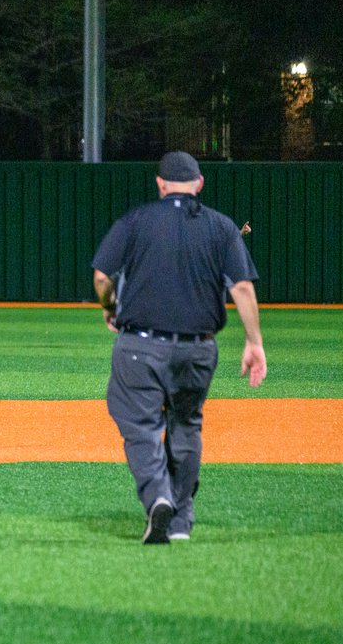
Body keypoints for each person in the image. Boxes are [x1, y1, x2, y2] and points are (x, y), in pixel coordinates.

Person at [91, 151, 267, 544]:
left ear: (160, 184)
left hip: (140, 347)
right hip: (197, 350)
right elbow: (241, 287)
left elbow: (103, 275)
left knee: (139, 425)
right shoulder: (222, 228)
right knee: (186, 425)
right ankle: (181, 520)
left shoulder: (136, 221)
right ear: (199, 184)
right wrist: (254, 342)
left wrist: (111, 308)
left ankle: (158, 498)